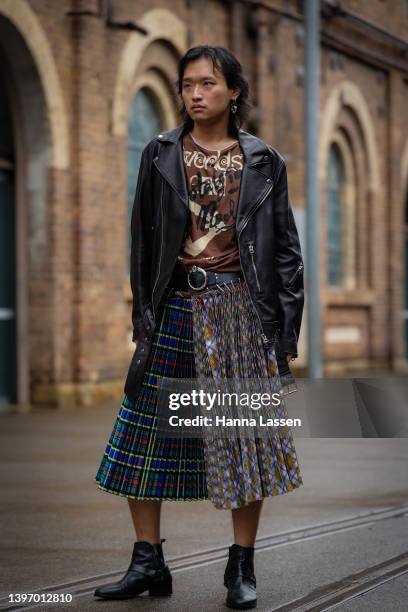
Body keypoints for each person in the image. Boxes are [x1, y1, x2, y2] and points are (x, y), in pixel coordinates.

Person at [94, 45, 304, 610]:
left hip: (240, 311)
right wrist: (144, 316)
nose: (195, 93)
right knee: (142, 437)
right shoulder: (160, 152)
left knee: (244, 442)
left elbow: (286, 254)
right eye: (188, 84)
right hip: (173, 311)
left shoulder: (263, 161)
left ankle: (241, 566)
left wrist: (284, 337)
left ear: (233, 91)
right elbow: (143, 240)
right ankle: (147, 561)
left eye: (208, 83)